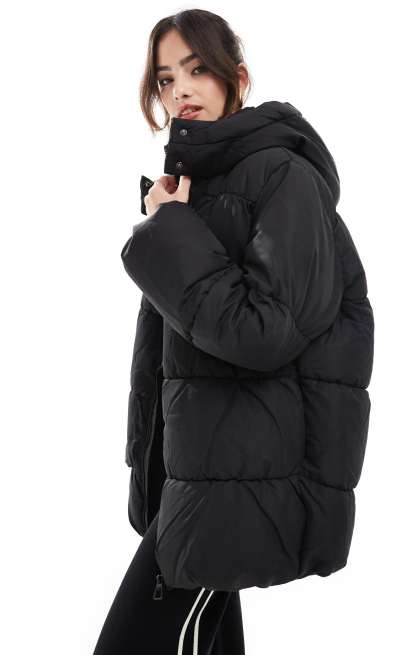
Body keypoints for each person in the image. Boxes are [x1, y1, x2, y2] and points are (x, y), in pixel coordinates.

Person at [93, 7, 374, 654]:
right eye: (165, 79)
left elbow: (265, 331)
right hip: (203, 476)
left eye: (197, 70)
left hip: (242, 479)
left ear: (236, 78)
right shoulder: (198, 187)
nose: (180, 91)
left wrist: (168, 231)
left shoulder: (283, 177)